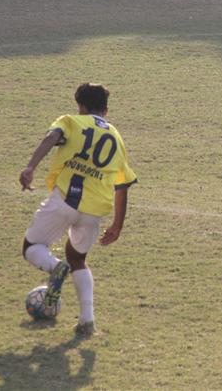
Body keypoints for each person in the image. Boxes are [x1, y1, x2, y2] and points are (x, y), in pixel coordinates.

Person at [20, 83, 137, 337]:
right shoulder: (116, 137)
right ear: (106, 110)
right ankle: (87, 321)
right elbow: (123, 185)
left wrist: (30, 167)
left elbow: (52, 138)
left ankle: (55, 267)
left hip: (64, 200)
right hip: (94, 210)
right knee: (77, 259)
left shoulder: (72, 121)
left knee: (31, 247)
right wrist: (117, 225)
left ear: (81, 106)